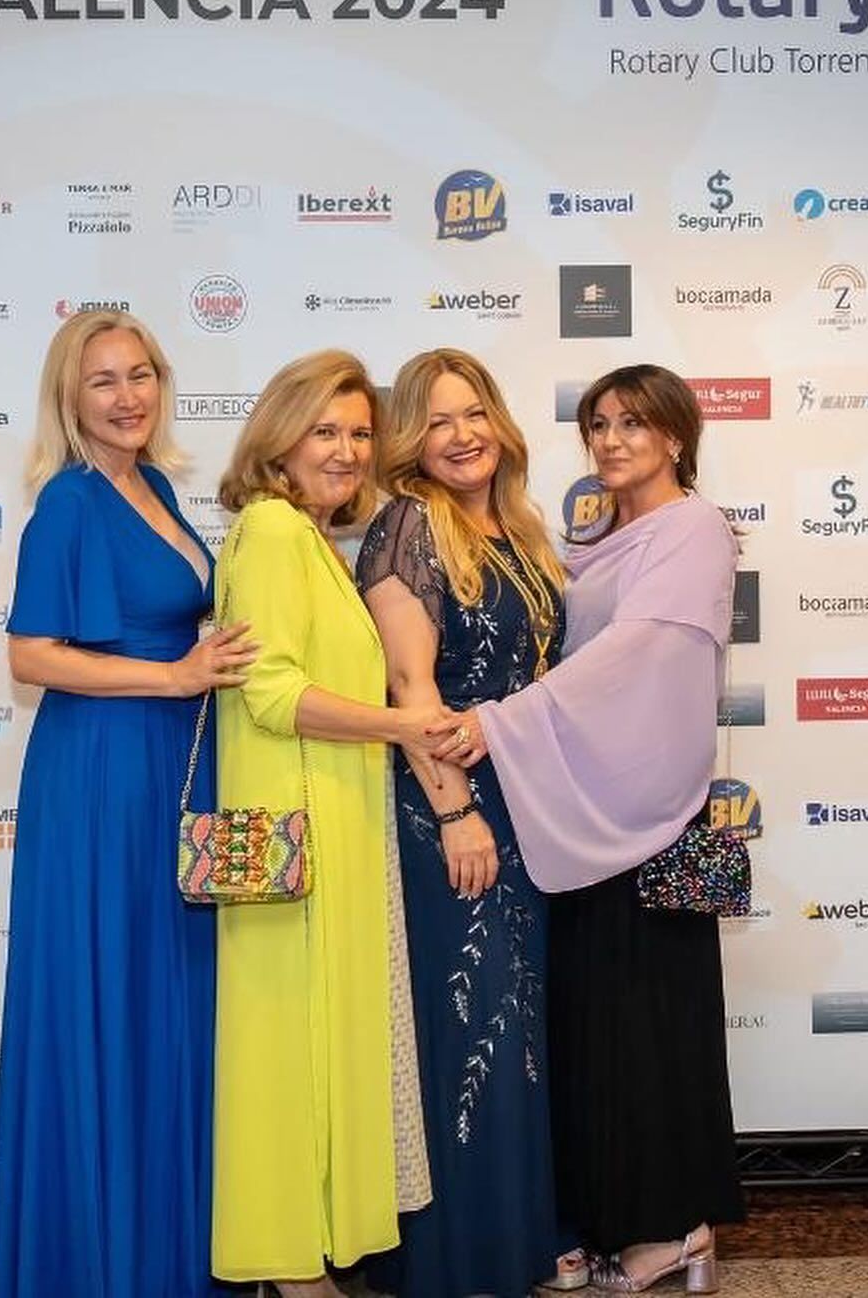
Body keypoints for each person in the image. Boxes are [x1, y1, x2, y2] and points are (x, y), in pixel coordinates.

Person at [433, 363, 745, 1294]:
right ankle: (627, 1224)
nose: (611, 440)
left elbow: (633, 659)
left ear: (677, 437)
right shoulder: (601, 537)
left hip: (647, 821)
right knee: (604, 1027)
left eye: (634, 424)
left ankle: (672, 1231)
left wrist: (499, 720)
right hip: (583, 816)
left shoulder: (693, 528)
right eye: (599, 424)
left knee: (656, 1026)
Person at [0, 310, 255, 1298]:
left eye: (141, 373)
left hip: (165, 775)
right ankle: (98, 1263)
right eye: (103, 380)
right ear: (70, 396)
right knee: (109, 1000)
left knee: (164, 1006)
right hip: (101, 781)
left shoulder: (156, 489)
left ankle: (165, 1252)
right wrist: (176, 678)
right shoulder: (70, 501)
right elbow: (30, 654)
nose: (128, 394)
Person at [356, 349, 587, 1298]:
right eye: (439, 420)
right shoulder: (408, 525)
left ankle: (522, 1234)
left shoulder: (521, 531)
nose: (463, 435)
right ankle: (463, 1258)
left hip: (528, 806)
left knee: (521, 1021)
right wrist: (454, 812)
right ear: (413, 439)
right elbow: (411, 687)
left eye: (475, 412)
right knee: (470, 1020)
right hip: (448, 805)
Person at [211, 349, 433, 1298]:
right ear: (280, 440)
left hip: (330, 818)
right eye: (324, 431)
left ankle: (310, 1262)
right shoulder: (269, 529)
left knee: (320, 1042)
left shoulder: (308, 539)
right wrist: (400, 724)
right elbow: (269, 692)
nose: (345, 451)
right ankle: (292, 1270)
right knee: (290, 1047)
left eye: (357, 433)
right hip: (293, 831)